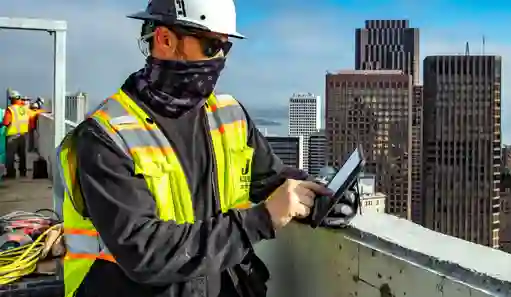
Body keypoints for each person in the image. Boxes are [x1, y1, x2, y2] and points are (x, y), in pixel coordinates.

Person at [54, 0, 358, 296]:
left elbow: (272, 180)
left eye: (226, 48)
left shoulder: (228, 114)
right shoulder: (106, 136)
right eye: (212, 47)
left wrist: (320, 196)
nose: (220, 60)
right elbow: (144, 251)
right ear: (164, 39)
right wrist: (261, 220)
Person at [2, 90, 30, 178]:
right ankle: (23, 172)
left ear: (12, 99)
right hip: (23, 135)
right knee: (22, 155)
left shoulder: (10, 109)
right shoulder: (24, 109)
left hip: (12, 136)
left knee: (10, 155)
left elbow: (6, 122)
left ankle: (10, 173)